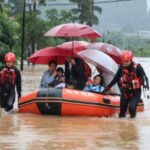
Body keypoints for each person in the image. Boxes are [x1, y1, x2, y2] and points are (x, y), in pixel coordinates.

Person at [104, 50, 149, 118]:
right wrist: (108, 87)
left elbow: (144, 77)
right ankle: (123, 126)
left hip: (136, 92)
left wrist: (146, 84)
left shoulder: (138, 67)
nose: (125, 63)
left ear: (131, 60)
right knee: (122, 112)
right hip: (125, 91)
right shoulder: (122, 67)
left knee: (132, 109)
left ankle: (132, 122)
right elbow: (116, 78)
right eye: (124, 61)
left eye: (127, 61)